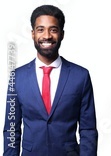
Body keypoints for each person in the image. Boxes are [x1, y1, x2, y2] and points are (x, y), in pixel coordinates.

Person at [3, 5, 97, 156]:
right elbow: (11, 130)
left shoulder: (80, 76)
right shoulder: (17, 77)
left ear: (62, 34)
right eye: (40, 29)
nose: (46, 36)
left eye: (53, 30)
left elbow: (88, 130)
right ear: (33, 34)